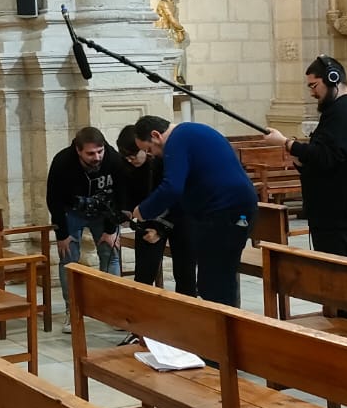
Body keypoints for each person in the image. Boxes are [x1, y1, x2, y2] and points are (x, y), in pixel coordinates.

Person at [120, 116, 258, 309]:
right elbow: (183, 192)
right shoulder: (190, 132)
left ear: (156, 135)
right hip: (223, 210)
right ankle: (220, 328)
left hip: (227, 210)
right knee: (212, 279)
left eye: (149, 149)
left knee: (216, 279)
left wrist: (142, 211)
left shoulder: (178, 140)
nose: (152, 155)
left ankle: (225, 330)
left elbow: (172, 188)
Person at [262, 56, 347, 263]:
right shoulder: (339, 110)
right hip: (336, 216)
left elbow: (325, 155)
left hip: (345, 219)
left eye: (314, 85)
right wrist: (302, 161)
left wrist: (285, 142)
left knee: (345, 281)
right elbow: (330, 157)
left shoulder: (345, 112)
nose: (311, 92)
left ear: (332, 78)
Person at [46, 126, 126, 334]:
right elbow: (53, 199)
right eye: (91, 153)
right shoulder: (63, 162)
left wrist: (111, 229)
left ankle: (114, 310)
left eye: (100, 151)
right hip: (72, 212)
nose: (97, 157)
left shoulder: (113, 160)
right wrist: (62, 233)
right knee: (69, 259)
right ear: (78, 150)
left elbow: (120, 195)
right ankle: (72, 311)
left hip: (104, 213)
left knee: (111, 255)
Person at [118, 125, 197, 297]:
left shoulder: (163, 160)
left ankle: (188, 318)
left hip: (180, 218)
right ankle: (141, 318)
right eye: (126, 158)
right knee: (144, 274)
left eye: (133, 155)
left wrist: (161, 229)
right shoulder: (126, 166)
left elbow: (176, 197)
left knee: (185, 273)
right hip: (148, 222)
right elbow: (129, 196)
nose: (130, 160)